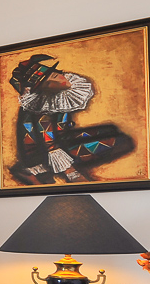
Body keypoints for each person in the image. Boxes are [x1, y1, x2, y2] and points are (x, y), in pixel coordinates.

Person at [8, 53, 133, 185]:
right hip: (42, 153)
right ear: (43, 91)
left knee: (111, 130)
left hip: (61, 140)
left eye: (55, 76)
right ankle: (37, 169)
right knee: (117, 141)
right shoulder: (40, 107)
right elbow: (50, 145)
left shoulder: (57, 98)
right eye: (49, 83)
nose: (59, 81)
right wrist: (71, 173)